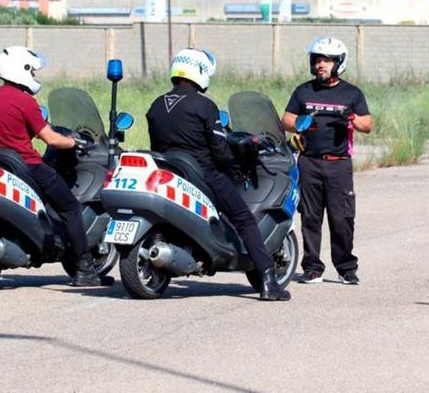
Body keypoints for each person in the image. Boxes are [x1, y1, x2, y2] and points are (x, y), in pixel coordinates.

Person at [145, 47, 290, 301]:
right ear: (199, 72)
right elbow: (221, 152)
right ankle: (268, 279)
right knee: (244, 218)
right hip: (203, 173)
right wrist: (234, 163)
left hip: (170, 172)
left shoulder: (156, 105)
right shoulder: (204, 106)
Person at [0, 46, 107, 287]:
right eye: (33, 71)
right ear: (23, 70)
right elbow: (51, 138)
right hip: (28, 165)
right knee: (69, 206)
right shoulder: (25, 101)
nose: (35, 77)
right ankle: (85, 269)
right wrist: (74, 141)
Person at [282, 36, 372, 285]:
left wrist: (350, 117)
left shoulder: (352, 93)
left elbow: (368, 125)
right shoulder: (304, 91)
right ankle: (312, 268)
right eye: (318, 60)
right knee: (310, 216)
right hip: (308, 162)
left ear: (339, 63)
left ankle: (346, 268)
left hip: (339, 164)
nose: (321, 65)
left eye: (327, 60)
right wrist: (300, 124)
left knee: (341, 217)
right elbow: (286, 119)